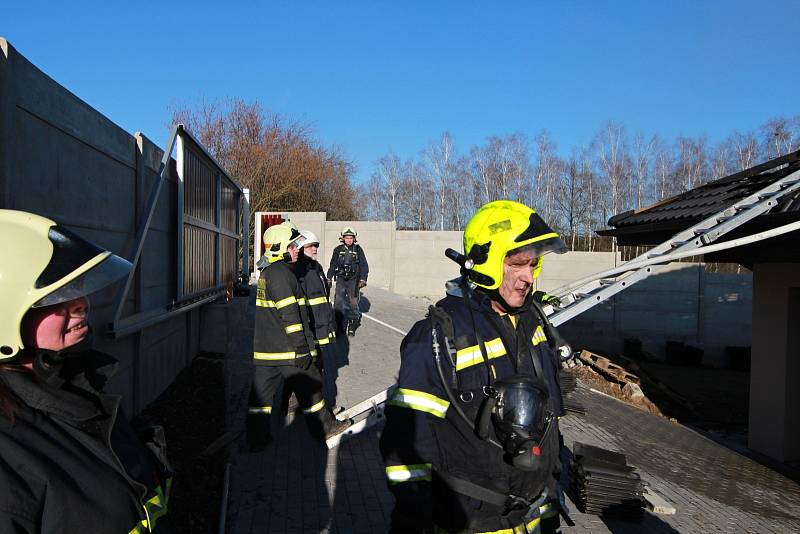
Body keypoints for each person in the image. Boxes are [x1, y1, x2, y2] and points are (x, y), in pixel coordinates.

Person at [379, 200, 571, 533]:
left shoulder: (533, 325)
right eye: (517, 264)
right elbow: (406, 438)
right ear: (486, 261)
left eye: (534, 264)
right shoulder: (439, 335)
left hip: (534, 515)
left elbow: (548, 417)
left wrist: (551, 492)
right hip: (472, 521)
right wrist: (415, 517)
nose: (528, 277)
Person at [0, 209, 172, 533]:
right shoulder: (9, 451)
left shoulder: (74, 385)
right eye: (56, 295)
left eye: (76, 287)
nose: (81, 303)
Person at [247, 222, 350, 451]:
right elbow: (291, 318)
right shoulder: (283, 275)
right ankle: (326, 428)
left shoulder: (268, 273)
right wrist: (303, 349)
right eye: (293, 246)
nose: (297, 249)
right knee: (312, 391)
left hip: (266, 352)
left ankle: (256, 439)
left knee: (260, 400)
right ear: (280, 249)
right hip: (289, 351)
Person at [296, 230, 339, 407]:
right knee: (310, 369)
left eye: (316, 246)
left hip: (322, 327)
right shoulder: (299, 270)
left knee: (318, 366)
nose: (315, 249)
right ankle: (305, 406)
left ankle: (311, 404)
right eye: (311, 246)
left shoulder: (316, 267)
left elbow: (324, 300)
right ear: (300, 247)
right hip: (310, 329)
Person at [326, 226, 369, 336]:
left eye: (351, 238)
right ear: (342, 238)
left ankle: (352, 324)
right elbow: (332, 264)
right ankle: (339, 325)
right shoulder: (338, 250)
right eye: (347, 238)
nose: (349, 240)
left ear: (354, 239)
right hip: (341, 279)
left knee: (353, 303)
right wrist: (329, 278)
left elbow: (364, 265)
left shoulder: (358, 250)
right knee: (338, 302)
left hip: (354, 280)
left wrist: (363, 279)